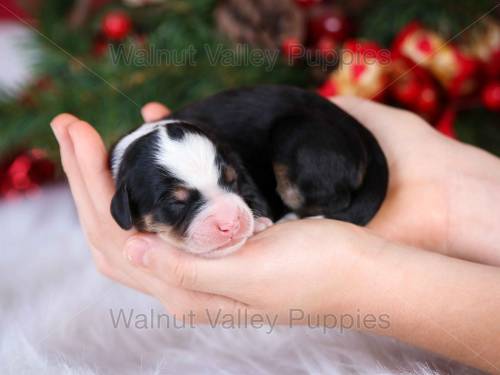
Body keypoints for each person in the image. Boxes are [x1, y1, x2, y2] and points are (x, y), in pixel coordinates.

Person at [51, 96, 500, 373]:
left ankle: (324, 201)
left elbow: (245, 183)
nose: (230, 217)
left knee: (293, 178)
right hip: (314, 138)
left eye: (229, 183)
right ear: (127, 208)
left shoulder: (204, 157)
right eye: (180, 203)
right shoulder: (131, 179)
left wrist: (357, 277)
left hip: (317, 140)